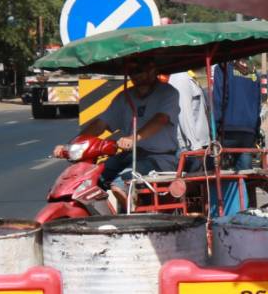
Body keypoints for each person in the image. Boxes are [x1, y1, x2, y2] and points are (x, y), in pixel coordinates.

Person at [53, 57, 181, 195]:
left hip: (159, 158)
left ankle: (127, 208)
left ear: (152, 70)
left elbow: (160, 119)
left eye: (139, 70)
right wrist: (71, 145)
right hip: (129, 155)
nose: (135, 75)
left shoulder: (168, 93)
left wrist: (132, 138)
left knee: (120, 184)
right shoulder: (124, 97)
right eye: (131, 71)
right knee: (90, 180)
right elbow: (101, 124)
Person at [213, 58, 262, 170]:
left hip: (228, 131)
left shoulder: (223, 68)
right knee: (245, 172)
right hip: (249, 132)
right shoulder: (253, 71)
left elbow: (218, 100)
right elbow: (258, 104)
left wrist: (214, 130)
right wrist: (256, 130)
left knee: (223, 172)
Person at [167, 67, 213, 157]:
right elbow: (183, 113)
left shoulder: (188, 76)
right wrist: (195, 146)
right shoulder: (180, 77)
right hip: (190, 147)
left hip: (198, 144)